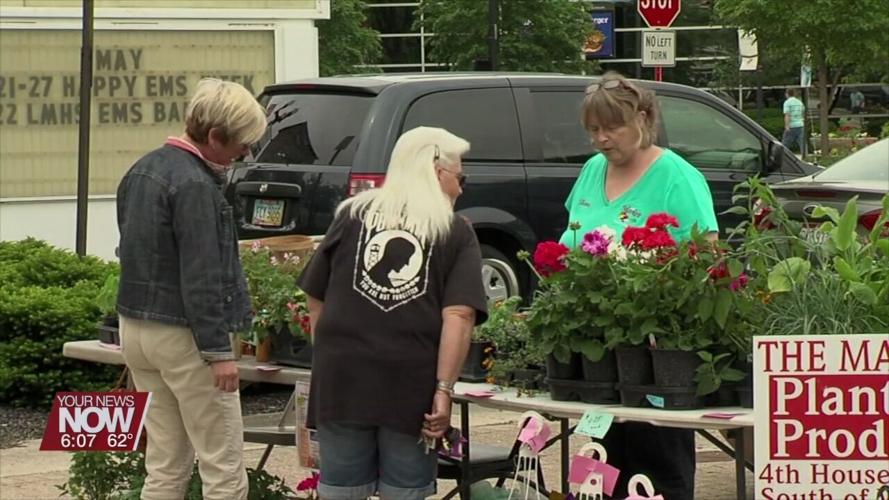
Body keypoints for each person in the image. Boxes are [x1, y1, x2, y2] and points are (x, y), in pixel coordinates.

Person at [297, 126, 488, 499]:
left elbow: (314, 297)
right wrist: (444, 390)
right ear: (437, 173)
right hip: (409, 382)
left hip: (342, 380)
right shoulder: (454, 231)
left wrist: (329, 356)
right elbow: (459, 315)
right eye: (460, 177)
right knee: (405, 491)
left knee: (341, 491)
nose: (462, 188)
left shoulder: (351, 215)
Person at [560, 72, 719, 500]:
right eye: (593, 130)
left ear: (644, 118)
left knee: (656, 466)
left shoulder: (677, 177)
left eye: (612, 128)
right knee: (602, 463)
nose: (601, 139)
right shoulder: (593, 170)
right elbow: (571, 238)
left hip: (655, 351)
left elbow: (707, 258)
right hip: (596, 352)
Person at [116, 78, 267, 500]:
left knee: (164, 463)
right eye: (241, 144)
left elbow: (127, 249)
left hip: (136, 329)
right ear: (215, 137)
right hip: (187, 336)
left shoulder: (141, 169)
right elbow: (203, 276)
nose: (246, 153)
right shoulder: (197, 186)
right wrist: (219, 353)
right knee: (222, 465)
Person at [782, 88, 807, 156]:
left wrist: (787, 126)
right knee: (802, 143)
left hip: (791, 125)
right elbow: (803, 112)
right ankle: (805, 157)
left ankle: (783, 157)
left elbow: (787, 115)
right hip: (800, 125)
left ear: (787, 94)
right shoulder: (799, 102)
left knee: (785, 144)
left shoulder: (787, 102)